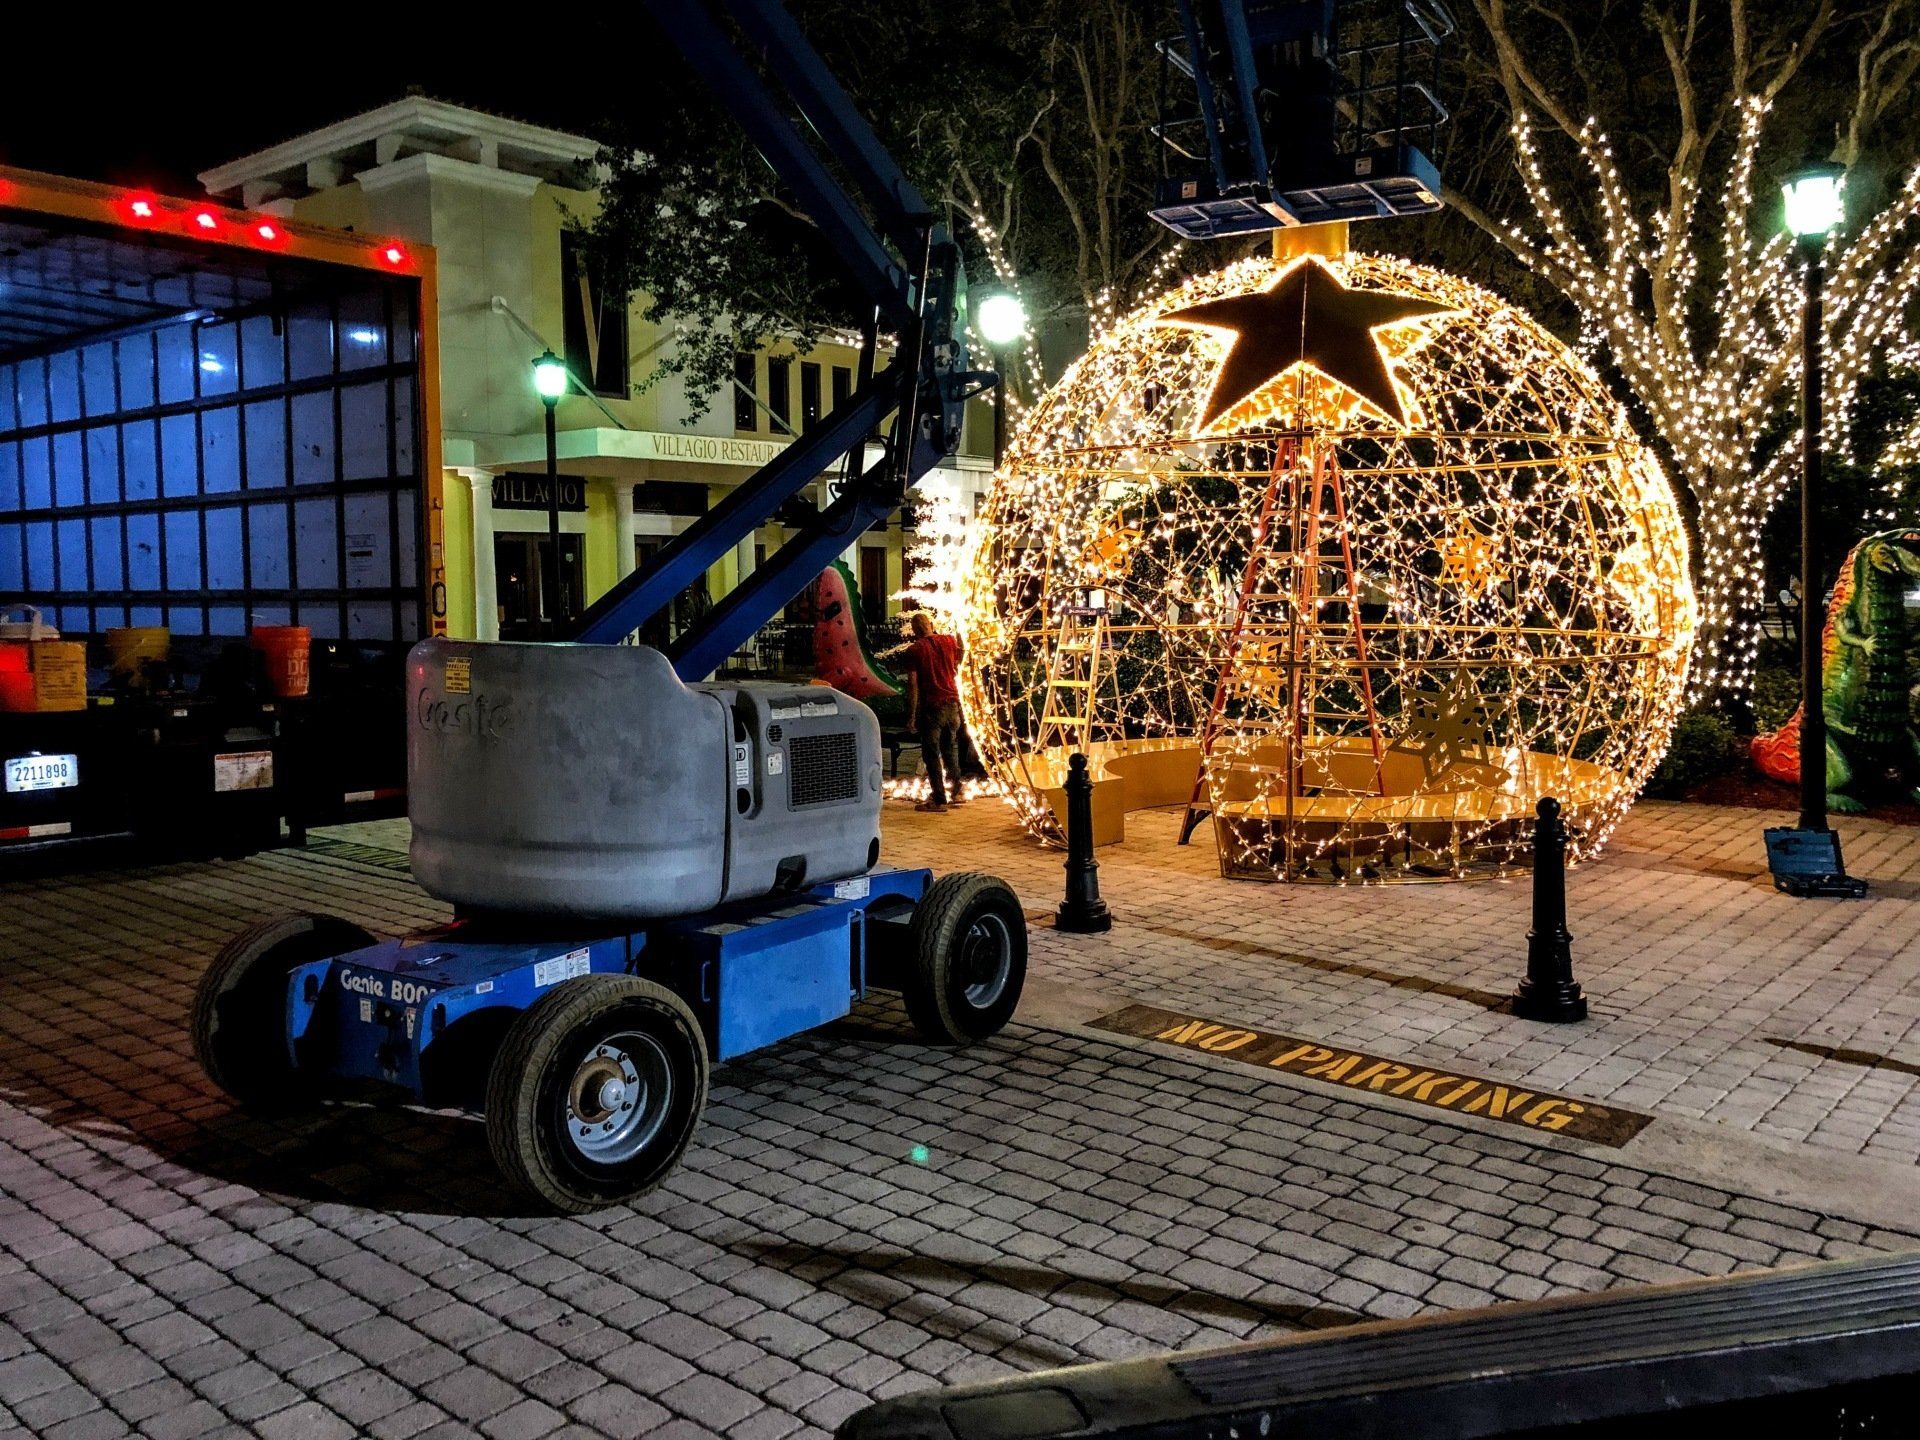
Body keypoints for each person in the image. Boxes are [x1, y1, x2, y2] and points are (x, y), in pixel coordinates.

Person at [898, 611, 965, 812]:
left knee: (931, 754)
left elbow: (913, 684)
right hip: (953, 705)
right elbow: (960, 656)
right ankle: (957, 791)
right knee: (948, 749)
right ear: (931, 624)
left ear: (915, 630)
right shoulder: (949, 641)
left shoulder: (915, 650)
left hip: (932, 708)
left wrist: (911, 715)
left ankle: (938, 799)